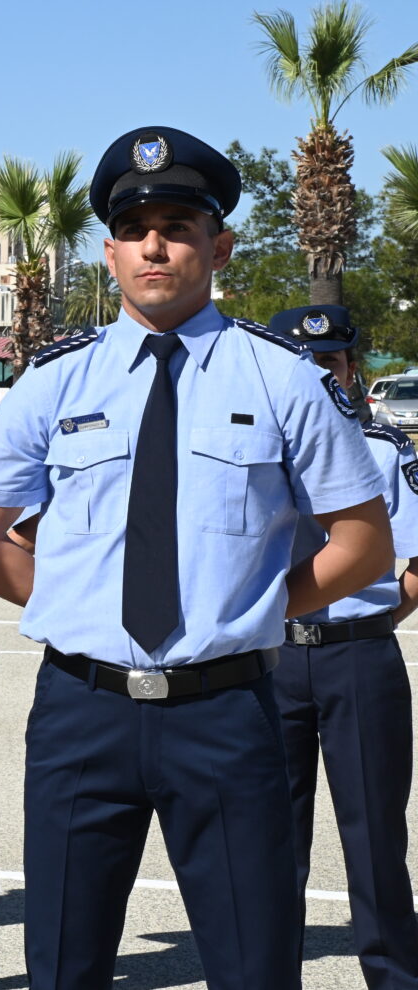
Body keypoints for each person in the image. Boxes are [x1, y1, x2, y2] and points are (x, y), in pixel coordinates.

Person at [0, 125, 393, 990]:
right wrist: (73, 600)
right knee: (63, 966)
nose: (157, 243)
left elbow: (365, 543)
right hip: (81, 714)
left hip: (227, 714)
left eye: (179, 224)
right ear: (109, 251)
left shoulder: (281, 377)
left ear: (218, 245)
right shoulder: (53, 380)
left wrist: (256, 610)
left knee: (254, 966)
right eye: (137, 227)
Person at [267, 303, 418, 988]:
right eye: (303, 361)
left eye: (330, 360)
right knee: (267, 837)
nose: (318, 373)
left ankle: (391, 975)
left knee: (374, 838)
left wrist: (373, 623)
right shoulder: (253, 451)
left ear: (352, 368)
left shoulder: (386, 448)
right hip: (266, 662)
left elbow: (415, 566)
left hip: (358, 658)